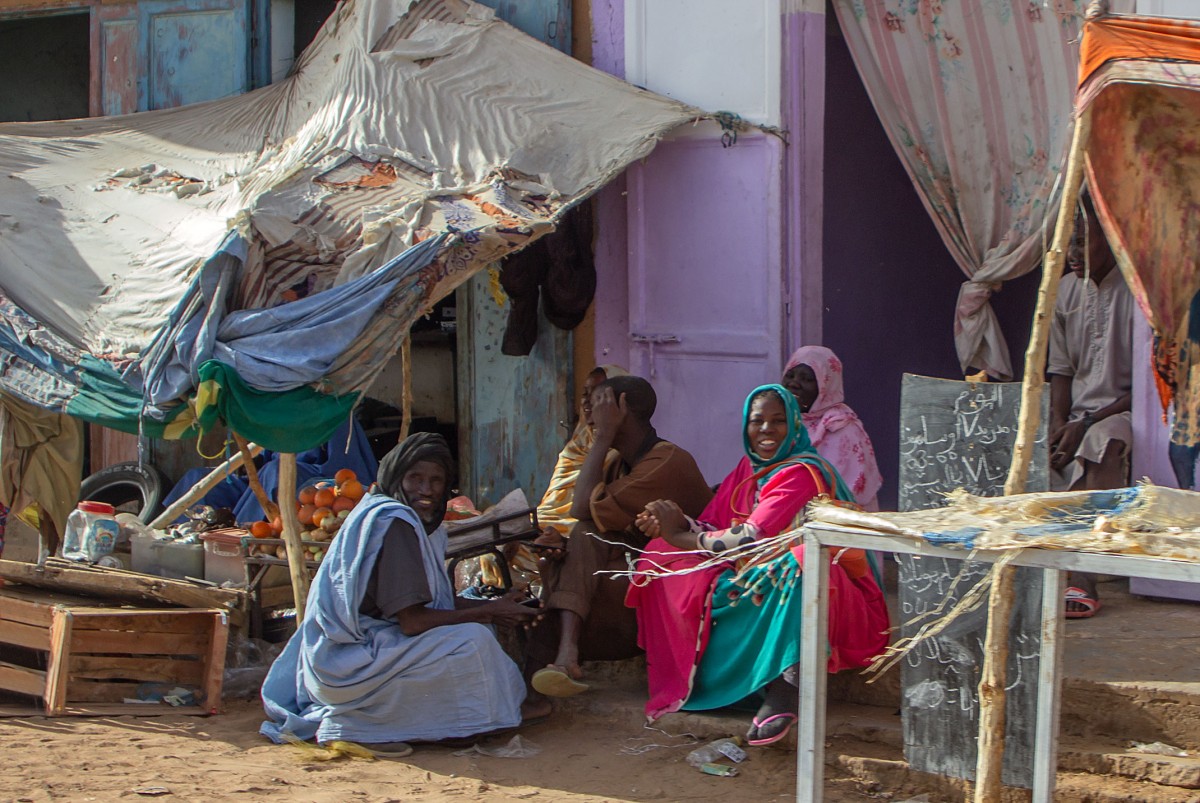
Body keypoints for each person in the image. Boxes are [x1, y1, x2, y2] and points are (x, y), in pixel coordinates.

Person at [627, 385, 890, 745]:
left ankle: (785, 687)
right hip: (751, 569)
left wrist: (681, 536)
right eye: (758, 421)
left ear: (795, 426)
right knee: (658, 553)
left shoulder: (800, 471)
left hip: (820, 585)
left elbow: (750, 536)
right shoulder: (747, 470)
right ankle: (707, 678)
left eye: (778, 421)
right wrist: (674, 522)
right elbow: (715, 528)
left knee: (799, 562)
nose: (766, 430)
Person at [260, 433, 546, 754]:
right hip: (347, 661)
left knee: (478, 625)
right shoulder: (395, 522)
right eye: (416, 478)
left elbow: (434, 601)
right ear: (397, 477)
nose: (426, 490)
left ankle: (470, 716)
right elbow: (412, 621)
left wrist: (492, 605)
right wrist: (488, 612)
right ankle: (448, 725)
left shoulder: (406, 519)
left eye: (436, 481)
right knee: (473, 640)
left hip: (358, 646)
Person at [528, 375, 712, 697]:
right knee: (566, 553)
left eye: (600, 404)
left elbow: (582, 508)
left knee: (585, 534)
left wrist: (601, 438)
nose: (590, 413)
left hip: (683, 568)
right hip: (641, 561)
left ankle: (568, 653)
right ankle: (561, 661)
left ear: (622, 408)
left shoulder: (665, 461)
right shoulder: (620, 461)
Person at [1048, 191, 1134, 618]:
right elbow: (1060, 372)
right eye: (1070, 241)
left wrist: (1087, 421)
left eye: (1083, 240)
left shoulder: (1137, 292)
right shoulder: (1065, 291)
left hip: (1123, 413)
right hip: (1078, 416)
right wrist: (1057, 423)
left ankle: (1083, 580)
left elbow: (1151, 384)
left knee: (1103, 440)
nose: (1073, 253)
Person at [782, 345, 884, 510]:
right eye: (790, 375)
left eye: (807, 379)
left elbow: (848, 497)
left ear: (826, 384)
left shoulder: (842, 429)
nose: (794, 383)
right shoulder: (782, 422)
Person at [535, 365, 629, 538]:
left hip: (582, 533)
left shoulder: (621, 452)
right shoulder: (577, 445)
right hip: (546, 528)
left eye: (597, 394)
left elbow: (594, 512)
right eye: (585, 393)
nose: (587, 400)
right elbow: (550, 508)